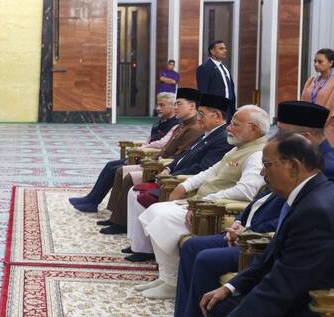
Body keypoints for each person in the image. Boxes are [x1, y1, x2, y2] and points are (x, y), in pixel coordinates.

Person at [175, 100, 333, 317]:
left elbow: (285, 283)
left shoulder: (316, 208)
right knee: (215, 295)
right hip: (267, 256)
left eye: (267, 166)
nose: (262, 174)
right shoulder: (306, 186)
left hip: (307, 300)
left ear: (295, 164)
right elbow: (272, 250)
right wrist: (230, 286)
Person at [129, 105, 268, 299]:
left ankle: (172, 281)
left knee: (161, 216)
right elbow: (210, 171)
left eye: (235, 124)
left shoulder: (257, 154)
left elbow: (247, 191)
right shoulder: (239, 148)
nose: (229, 128)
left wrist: (205, 200)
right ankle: (167, 276)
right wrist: (184, 187)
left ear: (253, 128)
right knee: (154, 211)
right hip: (200, 202)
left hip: (212, 208)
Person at [100, 93, 233, 236]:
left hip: (181, 183)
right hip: (171, 174)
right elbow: (182, 156)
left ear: (217, 117)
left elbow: (202, 168)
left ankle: (143, 247)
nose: (198, 118)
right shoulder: (206, 134)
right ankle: (133, 239)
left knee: (140, 195)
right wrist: (169, 167)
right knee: (134, 192)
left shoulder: (221, 139)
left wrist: (171, 175)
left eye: (202, 114)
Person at [69, 92, 181, 212]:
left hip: (151, 159)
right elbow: (149, 139)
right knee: (110, 165)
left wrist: (141, 149)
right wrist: (142, 147)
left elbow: (162, 144)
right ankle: (91, 199)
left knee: (114, 169)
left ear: (172, 106)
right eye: (157, 105)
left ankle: (93, 202)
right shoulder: (159, 122)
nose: (158, 108)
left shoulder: (175, 125)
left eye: (162, 105)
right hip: (143, 154)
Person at [300, 48, 334, 144]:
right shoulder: (311, 81)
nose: (316, 64)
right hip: (308, 125)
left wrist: (321, 123)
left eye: (320, 62)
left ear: (331, 63)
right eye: (315, 61)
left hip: (327, 127)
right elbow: (303, 102)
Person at [197, 41, 235, 119]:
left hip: (227, 109)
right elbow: (203, 92)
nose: (225, 50)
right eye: (221, 48)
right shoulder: (205, 68)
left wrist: (232, 109)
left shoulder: (224, 67)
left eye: (225, 48)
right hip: (214, 110)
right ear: (212, 51)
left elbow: (230, 89)